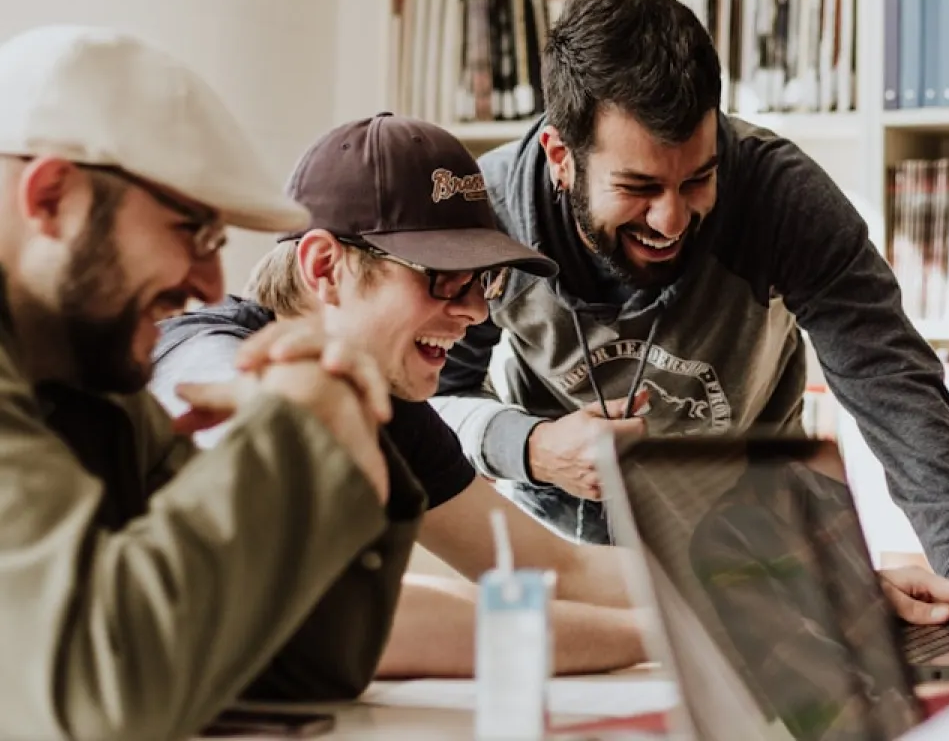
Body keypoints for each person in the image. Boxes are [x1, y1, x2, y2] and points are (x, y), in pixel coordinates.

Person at [433, 0, 949, 609]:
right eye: (639, 187)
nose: (671, 220)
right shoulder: (488, 215)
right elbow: (430, 405)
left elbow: (896, 389)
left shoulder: (781, 198)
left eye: (698, 179)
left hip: (755, 554)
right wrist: (531, 447)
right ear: (561, 156)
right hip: (563, 566)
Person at [0, 25, 424, 741]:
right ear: (51, 198)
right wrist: (300, 433)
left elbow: (299, 667)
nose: (212, 284)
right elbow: (99, 695)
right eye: (192, 231)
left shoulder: (95, 390)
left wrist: (342, 431)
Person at [151, 112, 647, 676]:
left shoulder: (387, 403)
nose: (476, 312)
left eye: (482, 281)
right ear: (324, 268)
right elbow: (340, 614)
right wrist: (663, 638)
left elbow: (551, 568)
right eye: (443, 276)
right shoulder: (202, 358)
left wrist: (732, 594)